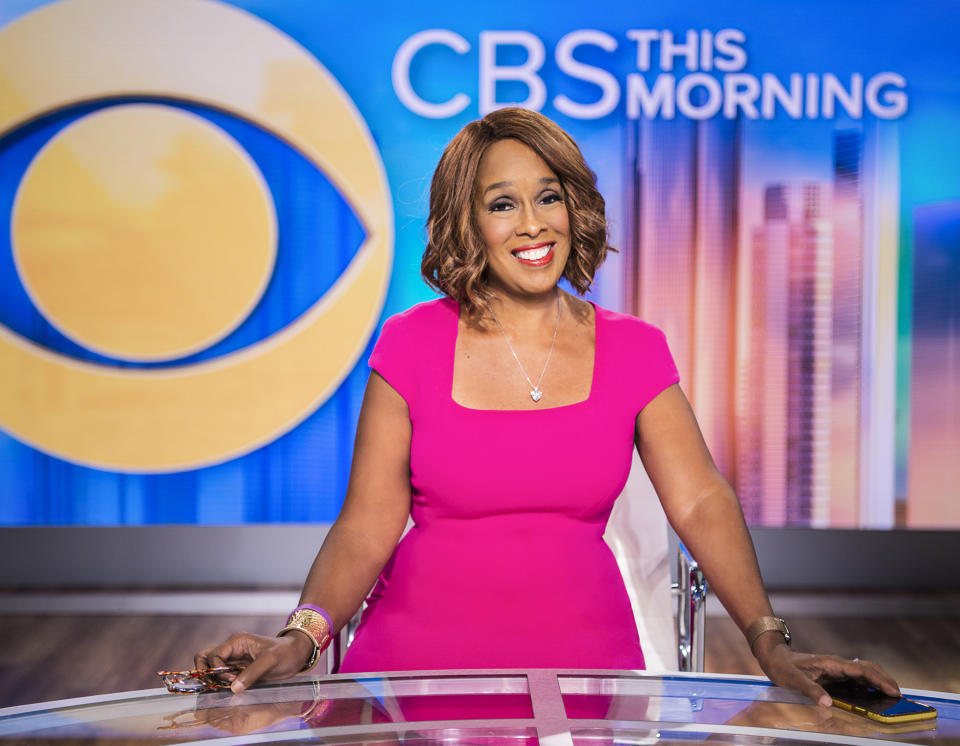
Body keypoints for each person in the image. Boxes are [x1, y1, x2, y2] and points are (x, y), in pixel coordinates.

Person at [196, 108, 900, 707]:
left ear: (575, 207)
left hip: (587, 677)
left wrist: (769, 643)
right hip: (409, 679)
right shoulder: (408, 344)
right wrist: (301, 637)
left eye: (548, 197)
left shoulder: (635, 349)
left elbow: (701, 502)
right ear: (467, 223)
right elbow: (364, 526)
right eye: (502, 203)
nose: (532, 225)